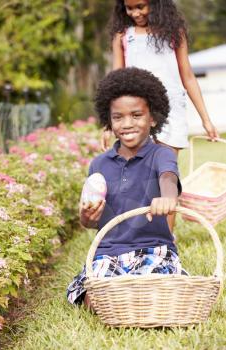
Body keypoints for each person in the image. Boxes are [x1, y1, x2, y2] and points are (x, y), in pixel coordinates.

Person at [67, 67, 187, 309]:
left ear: (152, 118)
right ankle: (118, 298)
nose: (127, 123)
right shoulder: (99, 164)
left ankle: (139, 296)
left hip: (153, 248)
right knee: (96, 300)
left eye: (136, 115)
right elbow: (92, 221)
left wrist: (168, 198)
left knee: (158, 290)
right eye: (118, 117)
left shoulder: (160, 154)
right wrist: (86, 218)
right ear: (108, 121)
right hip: (108, 251)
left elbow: (168, 177)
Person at [101, 0, 219, 154]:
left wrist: (206, 120)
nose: (135, 13)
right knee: (140, 169)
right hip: (136, 111)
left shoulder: (174, 32)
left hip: (171, 108)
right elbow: (115, 81)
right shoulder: (122, 36)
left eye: (140, 7)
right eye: (129, 8)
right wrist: (108, 124)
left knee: (166, 168)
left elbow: (188, 77)